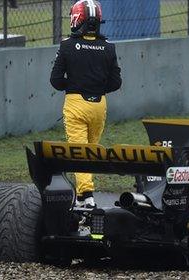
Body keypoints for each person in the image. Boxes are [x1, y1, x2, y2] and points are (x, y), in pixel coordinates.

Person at [50, 0, 121, 208]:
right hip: (99, 106)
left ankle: (88, 196)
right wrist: (96, 88)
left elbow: (55, 80)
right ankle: (81, 197)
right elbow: (116, 82)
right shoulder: (109, 47)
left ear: (76, 19)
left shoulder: (66, 45)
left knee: (79, 153)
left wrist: (74, 85)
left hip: (75, 105)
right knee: (91, 151)